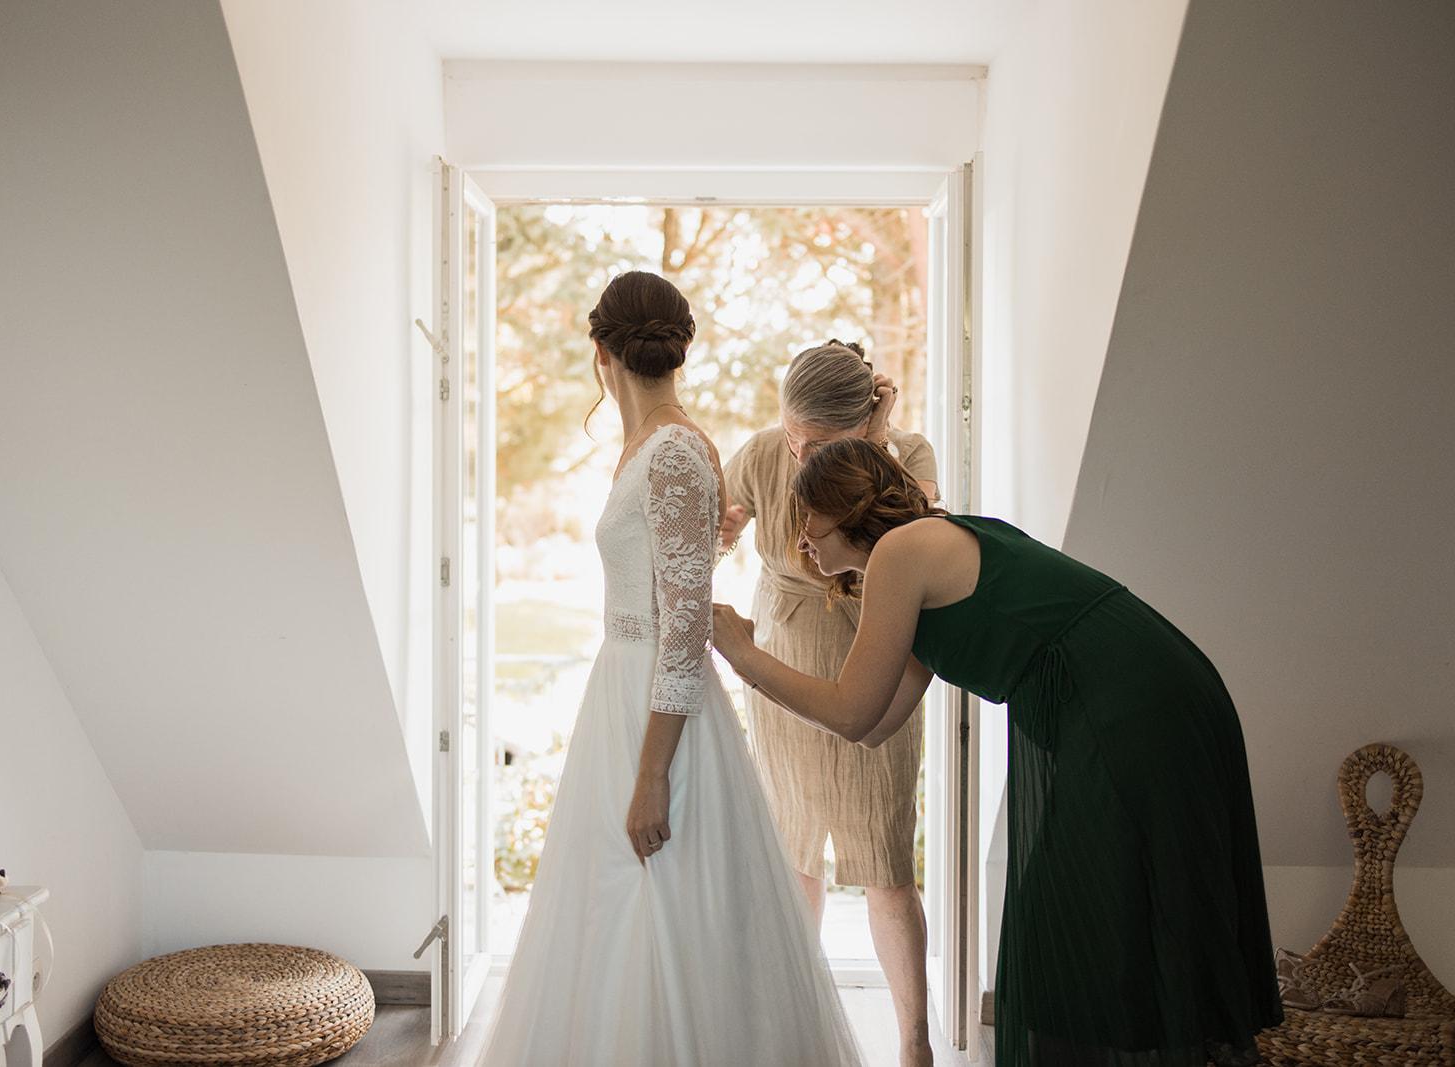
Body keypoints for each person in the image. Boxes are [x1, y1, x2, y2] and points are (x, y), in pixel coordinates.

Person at [710, 438, 1283, 1067]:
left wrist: (743, 655)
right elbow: (872, 724)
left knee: (1085, 915)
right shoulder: (923, 553)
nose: (801, 536)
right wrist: (752, 665)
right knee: (1100, 913)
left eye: (806, 515)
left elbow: (851, 711)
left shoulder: (904, 551)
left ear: (844, 508)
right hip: (1152, 693)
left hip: (1131, 706)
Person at [479, 272, 861, 1067]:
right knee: (608, 919)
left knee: (664, 911)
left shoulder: (676, 448)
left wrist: (653, 773)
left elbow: (685, 626)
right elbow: (668, 569)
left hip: (659, 714)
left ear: (601, 354)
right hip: (620, 694)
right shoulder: (653, 445)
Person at [721, 340, 937, 1066]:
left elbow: (918, 544)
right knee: (794, 855)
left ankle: (914, 1041)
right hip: (782, 669)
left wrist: (878, 449)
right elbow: (724, 516)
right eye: (791, 432)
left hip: (871, 663)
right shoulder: (760, 452)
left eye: (816, 440)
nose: (797, 449)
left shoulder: (909, 454)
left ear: (863, 426)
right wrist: (722, 527)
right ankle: (794, 1030)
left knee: (885, 863)